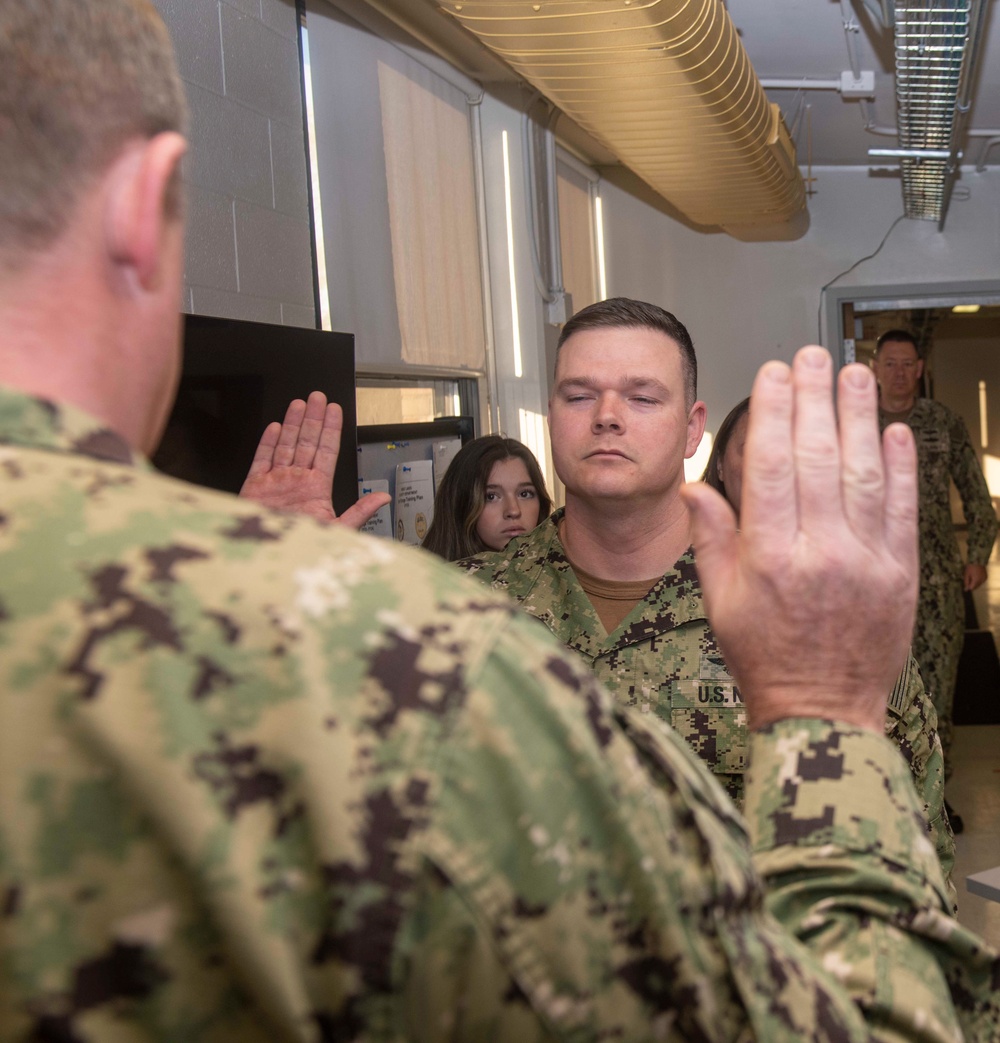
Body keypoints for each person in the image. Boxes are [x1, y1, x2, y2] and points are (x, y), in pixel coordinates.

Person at [2, 6, 997, 1041]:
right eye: (577, 394)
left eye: (642, 397)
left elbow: (916, 862)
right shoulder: (448, 620)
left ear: (695, 423)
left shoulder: (794, 616)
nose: (607, 415)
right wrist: (274, 605)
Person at [703, 396, 956, 897]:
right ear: (719, 468)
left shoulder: (853, 600)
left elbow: (920, 806)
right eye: (758, 451)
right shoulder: (674, 581)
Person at [873, 329, 999, 830]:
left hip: (938, 584)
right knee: (879, 694)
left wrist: (979, 555)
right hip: (873, 584)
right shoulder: (854, 426)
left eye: (908, 364)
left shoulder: (943, 422)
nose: (900, 372)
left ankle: (933, 802)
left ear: (920, 369)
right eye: (891, 363)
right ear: (877, 368)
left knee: (936, 698)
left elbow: (975, 490)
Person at [420, 435, 553, 560]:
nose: (513, 511)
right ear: (461, 504)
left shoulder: (559, 570)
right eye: (491, 496)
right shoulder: (433, 581)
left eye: (524, 494)